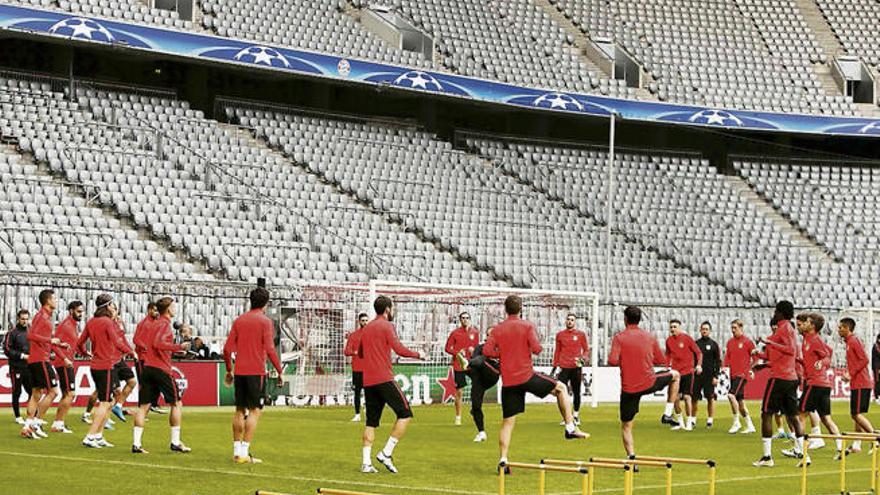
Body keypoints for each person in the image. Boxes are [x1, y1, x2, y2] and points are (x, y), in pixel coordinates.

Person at [483, 295, 588, 475]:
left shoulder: (498, 330)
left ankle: (503, 460)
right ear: (520, 308)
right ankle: (570, 427)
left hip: (508, 381)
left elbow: (487, 351)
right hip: (526, 376)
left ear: (505, 310)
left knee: (508, 423)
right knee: (561, 388)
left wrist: (502, 352)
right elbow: (537, 349)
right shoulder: (527, 326)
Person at [352, 295, 423, 474]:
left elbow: (360, 353)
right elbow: (399, 349)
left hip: (369, 381)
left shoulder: (366, 329)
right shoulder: (387, 326)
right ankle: (386, 452)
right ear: (388, 309)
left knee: (371, 422)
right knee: (405, 413)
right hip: (384, 378)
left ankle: (366, 463)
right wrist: (418, 354)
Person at [608, 306, 680, 458]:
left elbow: (612, 360)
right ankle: (667, 413)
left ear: (625, 319)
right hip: (649, 382)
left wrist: (626, 358)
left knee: (627, 426)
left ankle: (631, 457)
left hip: (629, 388)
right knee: (675, 375)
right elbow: (661, 360)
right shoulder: (649, 337)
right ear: (640, 320)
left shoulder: (619, 338)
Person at [223, 287, 285, 464]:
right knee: (255, 411)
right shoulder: (265, 322)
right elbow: (270, 348)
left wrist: (229, 369)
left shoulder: (239, 320)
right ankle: (244, 453)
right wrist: (279, 370)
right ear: (266, 303)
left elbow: (227, 349)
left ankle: (236, 452)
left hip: (240, 371)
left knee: (239, 410)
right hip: (256, 372)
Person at [132, 296, 192, 454]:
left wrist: (174, 349)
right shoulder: (165, 324)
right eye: (173, 305)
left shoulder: (154, 324)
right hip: (161, 369)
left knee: (144, 406)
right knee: (176, 403)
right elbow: (158, 344)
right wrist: (178, 346)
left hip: (148, 367)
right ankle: (175, 441)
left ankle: (136, 444)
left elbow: (155, 345)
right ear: (169, 309)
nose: (175, 308)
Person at [752, 301, 807, 468]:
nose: (774, 314)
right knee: (792, 415)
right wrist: (762, 361)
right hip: (790, 378)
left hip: (779, 378)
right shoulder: (787, 329)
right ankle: (804, 454)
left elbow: (790, 350)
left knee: (766, 413)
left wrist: (768, 342)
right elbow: (781, 355)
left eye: (776, 311)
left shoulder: (784, 328)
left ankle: (767, 457)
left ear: (781, 313)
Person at [77, 294, 135, 448]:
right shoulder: (108, 322)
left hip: (95, 366)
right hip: (106, 366)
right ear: (108, 306)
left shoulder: (91, 322)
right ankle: (90, 436)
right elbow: (117, 342)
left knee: (108, 402)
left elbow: (79, 343)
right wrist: (131, 352)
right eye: (112, 305)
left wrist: (85, 353)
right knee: (105, 403)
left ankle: (98, 435)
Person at [790, 312, 842, 457]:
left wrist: (822, 363)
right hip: (822, 384)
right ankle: (841, 449)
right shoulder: (807, 338)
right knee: (826, 418)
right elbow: (826, 352)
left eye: (806, 322)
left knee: (800, 414)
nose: (802, 325)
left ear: (812, 326)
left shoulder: (815, 340)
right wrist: (799, 360)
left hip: (815, 383)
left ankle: (798, 449)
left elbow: (827, 355)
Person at [21, 289, 67, 440]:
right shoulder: (42, 316)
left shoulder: (45, 316)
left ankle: (27, 426)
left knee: (36, 394)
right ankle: (36, 423)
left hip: (36, 359)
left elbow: (43, 337)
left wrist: (59, 344)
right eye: (54, 298)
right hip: (41, 359)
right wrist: (50, 340)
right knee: (54, 391)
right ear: (47, 301)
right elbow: (30, 335)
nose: (56, 301)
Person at [838, 317, 875, 455]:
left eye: (841, 327)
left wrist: (851, 374)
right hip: (858, 382)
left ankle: (875, 439)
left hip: (861, 383)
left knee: (855, 414)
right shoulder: (849, 342)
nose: (839, 330)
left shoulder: (853, 341)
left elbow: (864, 359)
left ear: (848, 328)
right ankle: (857, 444)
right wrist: (848, 374)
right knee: (857, 414)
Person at [51, 300, 84, 433]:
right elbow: (54, 344)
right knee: (70, 393)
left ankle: (57, 423)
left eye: (82, 311)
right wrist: (64, 358)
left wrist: (84, 352)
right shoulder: (65, 325)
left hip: (67, 362)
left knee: (67, 394)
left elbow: (72, 343)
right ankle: (58, 423)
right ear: (71, 311)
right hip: (64, 363)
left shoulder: (73, 324)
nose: (81, 314)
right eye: (79, 311)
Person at [551, 313, 589, 426]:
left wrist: (582, 360)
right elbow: (557, 351)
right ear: (565, 321)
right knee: (561, 393)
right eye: (568, 319)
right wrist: (554, 366)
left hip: (576, 367)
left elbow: (586, 350)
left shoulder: (581, 335)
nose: (569, 321)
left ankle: (576, 416)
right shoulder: (560, 335)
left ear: (575, 322)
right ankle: (566, 417)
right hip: (563, 367)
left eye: (572, 320)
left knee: (577, 392)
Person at [665, 319, 702, 431]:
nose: (673, 329)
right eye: (671, 327)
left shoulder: (686, 339)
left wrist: (699, 365)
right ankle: (680, 422)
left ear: (680, 328)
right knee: (675, 398)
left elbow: (698, 352)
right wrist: (667, 366)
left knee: (686, 397)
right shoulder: (669, 341)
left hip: (688, 372)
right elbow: (667, 354)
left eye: (675, 327)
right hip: (676, 373)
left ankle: (689, 421)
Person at [444, 312, 479, 426]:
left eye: (467, 318)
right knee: (459, 392)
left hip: (471, 364)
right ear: (460, 320)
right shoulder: (455, 333)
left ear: (470, 319)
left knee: (478, 387)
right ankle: (458, 417)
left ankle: (475, 409)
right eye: (463, 318)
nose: (465, 320)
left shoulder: (475, 332)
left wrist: (473, 350)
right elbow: (447, 348)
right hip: (458, 364)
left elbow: (477, 348)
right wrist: (457, 353)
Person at [466, 327, 501, 443]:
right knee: (476, 406)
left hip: (492, 374)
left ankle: (466, 364)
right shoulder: (480, 347)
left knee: (481, 360)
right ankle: (481, 432)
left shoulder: (501, 347)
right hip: (479, 379)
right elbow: (475, 361)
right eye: (488, 335)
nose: (489, 337)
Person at [723, 319, 757, 434]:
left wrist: (751, 369)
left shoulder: (748, 342)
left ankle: (736, 422)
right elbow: (727, 356)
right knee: (740, 401)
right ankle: (750, 425)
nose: (733, 330)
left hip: (742, 374)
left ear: (741, 328)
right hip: (733, 374)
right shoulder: (730, 342)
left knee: (731, 395)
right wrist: (724, 366)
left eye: (735, 328)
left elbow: (756, 358)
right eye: (732, 328)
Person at [4, 309, 32, 424]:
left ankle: (32, 415)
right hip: (16, 367)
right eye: (23, 319)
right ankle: (17, 416)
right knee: (17, 392)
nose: (25, 321)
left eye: (26, 319)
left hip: (29, 367)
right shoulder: (12, 333)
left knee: (32, 391)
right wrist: (21, 356)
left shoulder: (31, 332)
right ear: (18, 319)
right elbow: (7, 349)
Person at [110, 314, 138, 423]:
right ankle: (103, 417)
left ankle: (118, 406)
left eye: (116, 310)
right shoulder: (107, 324)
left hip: (119, 360)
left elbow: (123, 339)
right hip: (110, 361)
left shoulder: (119, 323)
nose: (115, 313)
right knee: (114, 391)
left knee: (132, 381)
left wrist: (131, 351)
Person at [694, 321, 720, 428]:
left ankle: (710, 420)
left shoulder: (714, 344)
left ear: (710, 331)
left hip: (709, 376)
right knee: (694, 398)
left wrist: (716, 376)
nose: (704, 331)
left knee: (710, 397)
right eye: (703, 329)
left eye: (706, 329)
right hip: (697, 375)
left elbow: (717, 362)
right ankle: (693, 419)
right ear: (700, 330)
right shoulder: (696, 344)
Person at [343, 313, 369, 422]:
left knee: (370, 393)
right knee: (357, 392)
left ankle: (369, 412)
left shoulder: (372, 335)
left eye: (367, 320)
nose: (365, 322)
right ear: (359, 321)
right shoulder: (353, 336)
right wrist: (355, 352)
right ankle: (357, 414)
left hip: (369, 369)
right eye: (363, 320)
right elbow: (346, 351)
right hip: (357, 369)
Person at [871, 333, 880, 403]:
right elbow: (874, 359)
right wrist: (875, 368)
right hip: (877, 367)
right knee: (877, 381)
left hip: (876, 367)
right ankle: (877, 396)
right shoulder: (876, 346)